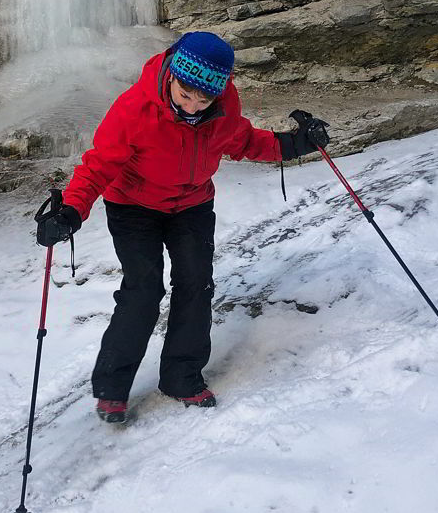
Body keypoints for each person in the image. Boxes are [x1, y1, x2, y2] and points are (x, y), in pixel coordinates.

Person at [36, 32, 329, 423]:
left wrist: (294, 145)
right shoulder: (134, 110)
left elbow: (244, 141)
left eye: (203, 100)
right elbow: (98, 166)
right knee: (143, 289)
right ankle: (111, 388)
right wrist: (70, 211)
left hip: (191, 205)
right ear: (172, 76)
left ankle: (181, 377)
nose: (191, 106)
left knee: (196, 283)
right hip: (133, 208)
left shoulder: (222, 110)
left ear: (218, 94)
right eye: (185, 93)